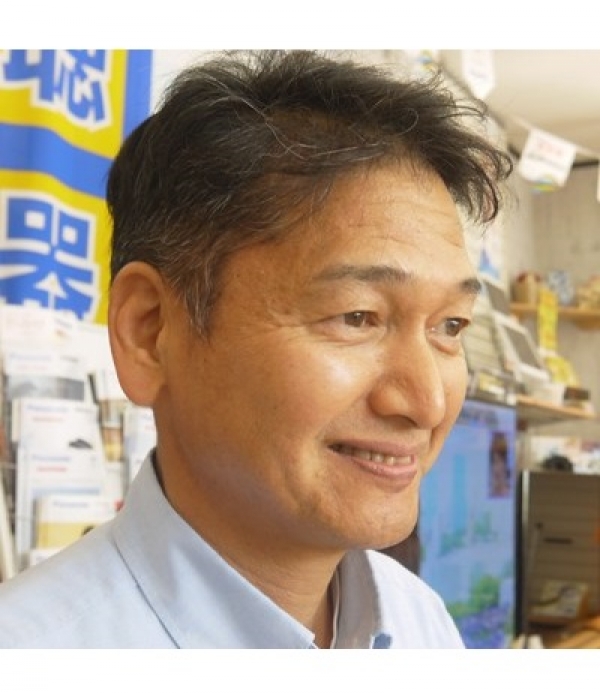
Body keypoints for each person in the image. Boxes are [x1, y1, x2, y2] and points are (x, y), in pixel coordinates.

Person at [0, 50, 512, 648]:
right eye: (357, 317)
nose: (426, 403)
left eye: (450, 326)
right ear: (149, 332)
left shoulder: (421, 622)